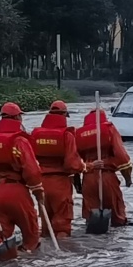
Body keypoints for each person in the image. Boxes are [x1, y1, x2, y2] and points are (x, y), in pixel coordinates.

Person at [0, 101, 45, 254]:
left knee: (0, 234)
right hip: (16, 190)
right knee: (31, 232)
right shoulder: (19, 140)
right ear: (18, 118)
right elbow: (31, 169)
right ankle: (30, 264)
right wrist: (37, 189)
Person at [29, 99, 85, 238]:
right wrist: (85, 166)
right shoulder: (67, 135)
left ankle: (45, 257)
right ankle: (63, 258)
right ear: (65, 115)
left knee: (46, 224)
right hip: (60, 183)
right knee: (62, 225)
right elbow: (72, 164)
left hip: (40, 183)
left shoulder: (35, 134)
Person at [77, 105, 133, 222]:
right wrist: (128, 178)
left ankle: (91, 240)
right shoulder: (109, 129)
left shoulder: (78, 134)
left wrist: (78, 186)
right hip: (107, 176)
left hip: (88, 180)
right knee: (117, 217)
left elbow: (73, 164)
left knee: (92, 218)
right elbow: (122, 158)